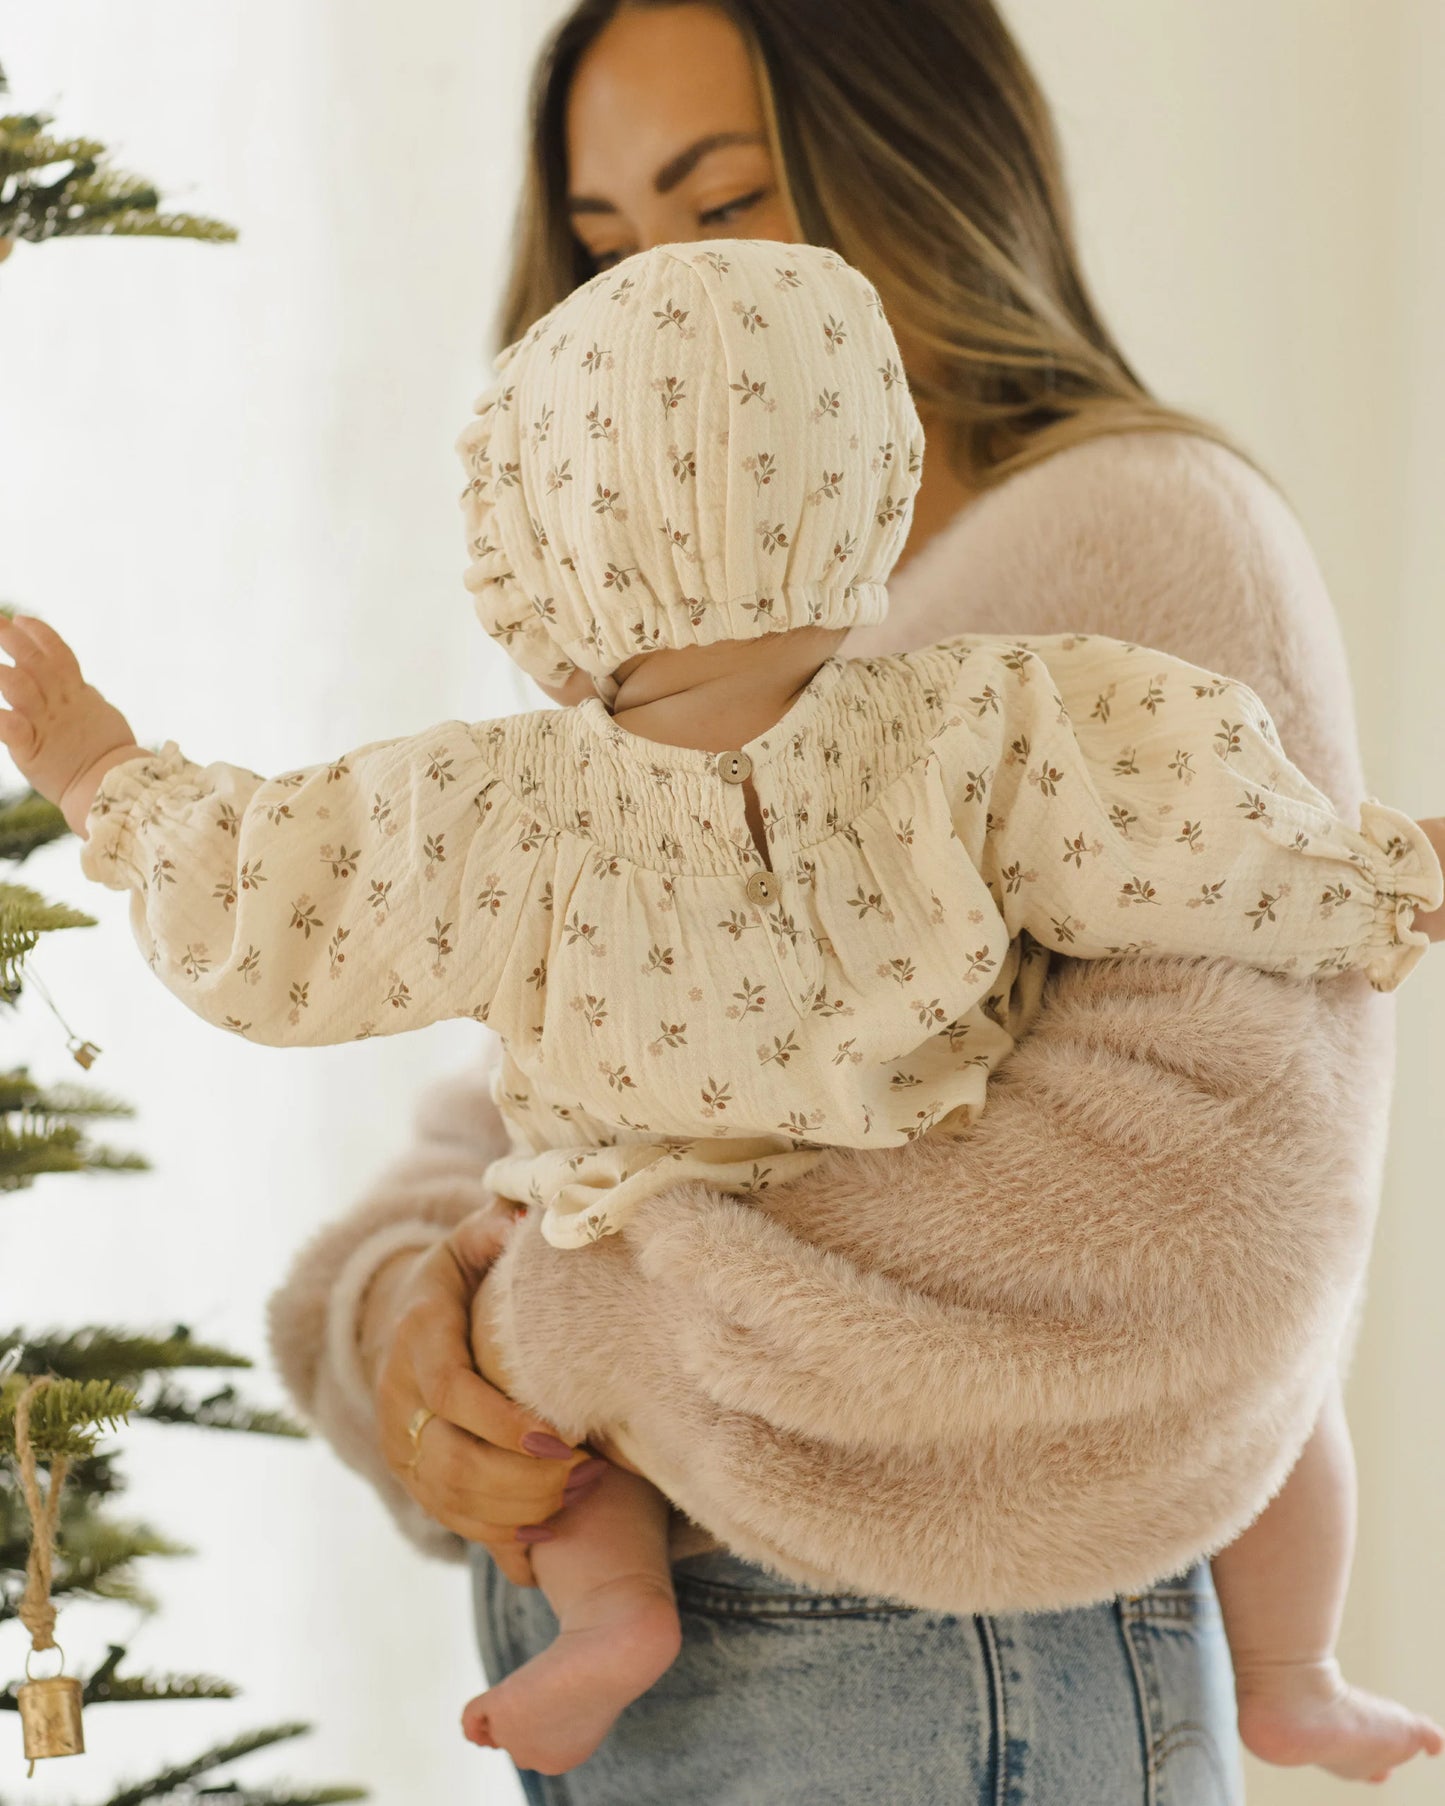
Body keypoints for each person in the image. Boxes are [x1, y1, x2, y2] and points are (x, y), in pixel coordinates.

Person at [37, 3, 1428, 1800]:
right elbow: (521, 1104)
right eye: (603, 244)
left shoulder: (1118, 545)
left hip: (932, 1656)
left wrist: (543, 1327)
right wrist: (410, 1339)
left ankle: (1296, 1672)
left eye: (723, 205)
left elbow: (1185, 1226)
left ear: (917, 166)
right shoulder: (647, 715)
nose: (654, 306)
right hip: (726, 1653)